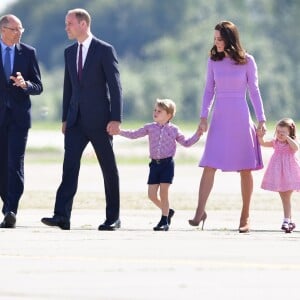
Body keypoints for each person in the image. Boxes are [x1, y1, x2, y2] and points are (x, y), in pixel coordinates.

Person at [41, 8, 122, 231]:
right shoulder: (69, 52)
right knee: (69, 168)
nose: (66, 27)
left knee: (108, 168)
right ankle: (61, 216)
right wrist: (65, 118)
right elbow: (69, 87)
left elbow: (115, 87)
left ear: (83, 24)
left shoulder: (104, 50)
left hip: (100, 121)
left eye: (70, 23)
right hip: (75, 121)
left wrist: (116, 118)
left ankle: (113, 217)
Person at [188, 20, 266, 233]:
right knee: (210, 163)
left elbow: (254, 91)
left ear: (230, 39)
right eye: (214, 39)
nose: (216, 43)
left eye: (220, 39)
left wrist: (262, 120)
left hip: (240, 116)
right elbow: (208, 91)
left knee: (245, 167)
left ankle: (245, 216)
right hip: (220, 118)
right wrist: (203, 116)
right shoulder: (213, 61)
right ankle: (199, 212)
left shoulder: (247, 61)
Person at [118, 98, 202, 231]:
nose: (156, 113)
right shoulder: (149, 127)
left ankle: (164, 221)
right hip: (154, 165)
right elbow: (134, 134)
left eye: (160, 111)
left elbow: (186, 143)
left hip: (167, 164)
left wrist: (198, 134)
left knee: (164, 193)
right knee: (151, 195)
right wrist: (119, 131)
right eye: (155, 110)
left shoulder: (174, 130)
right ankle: (168, 211)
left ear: (169, 115)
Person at [0, 15, 43, 228]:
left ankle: (11, 209)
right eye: (15, 29)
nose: (19, 33)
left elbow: (38, 86)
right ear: (3, 30)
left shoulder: (28, 53)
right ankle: (6, 203)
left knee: (14, 162)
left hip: (19, 118)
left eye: (21, 29)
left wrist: (25, 84)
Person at [257, 118, 300, 233]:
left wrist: (288, 138)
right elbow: (263, 143)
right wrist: (260, 136)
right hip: (278, 173)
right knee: (284, 196)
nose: (280, 135)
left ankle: (286, 220)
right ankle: (289, 221)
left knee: (286, 196)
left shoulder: (291, 142)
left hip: (290, 173)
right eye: (278, 132)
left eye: (283, 132)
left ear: (290, 132)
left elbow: (296, 148)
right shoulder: (275, 142)